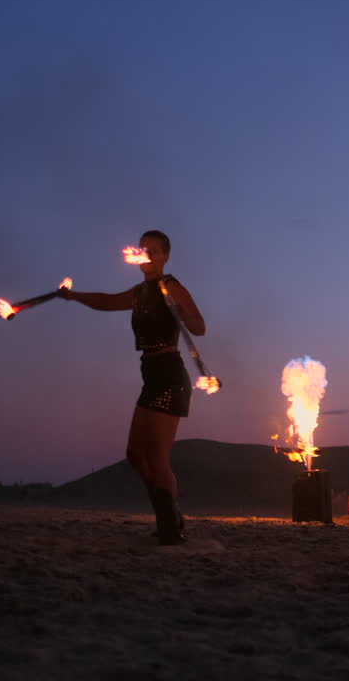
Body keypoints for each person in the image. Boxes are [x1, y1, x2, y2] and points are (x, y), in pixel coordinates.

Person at [58, 230, 206, 545]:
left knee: (157, 457)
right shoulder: (141, 292)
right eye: (143, 249)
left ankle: (170, 529)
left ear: (165, 256)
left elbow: (200, 327)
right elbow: (108, 302)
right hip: (151, 374)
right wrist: (75, 296)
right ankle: (172, 516)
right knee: (135, 455)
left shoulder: (172, 287)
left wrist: (179, 312)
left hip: (169, 374)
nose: (146, 255)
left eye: (153, 250)